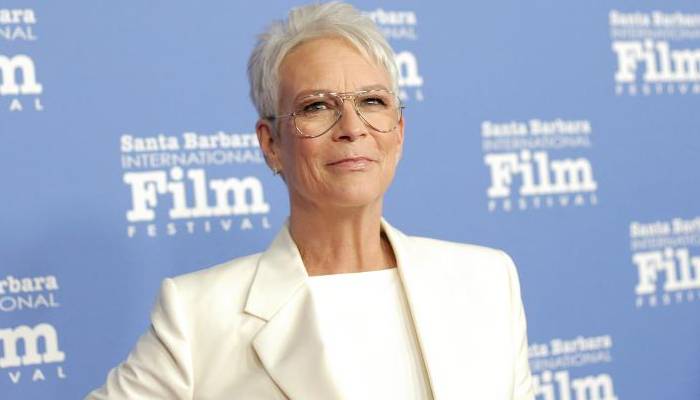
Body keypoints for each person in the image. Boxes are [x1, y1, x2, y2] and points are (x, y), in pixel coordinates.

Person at [87, 2, 534, 399]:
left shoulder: (488, 280)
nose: (352, 128)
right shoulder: (198, 315)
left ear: (399, 132)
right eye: (316, 106)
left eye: (372, 101)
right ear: (271, 144)